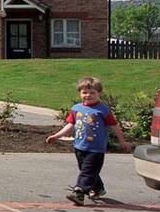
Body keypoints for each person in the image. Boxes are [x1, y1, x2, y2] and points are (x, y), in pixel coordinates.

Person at [46, 76, 128, 205]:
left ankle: (79, 193)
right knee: (87, 170)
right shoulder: (76, 108)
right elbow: (70, 125)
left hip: (96, 148)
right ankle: (98, 188)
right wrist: (57, 136)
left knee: (87, 171)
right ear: (80, 93)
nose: (88, 95)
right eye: (84, 92)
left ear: (99, 93)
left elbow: (114, 126)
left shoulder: (103, 110)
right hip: (80, 146)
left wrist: (122, 141)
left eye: (92, 93)